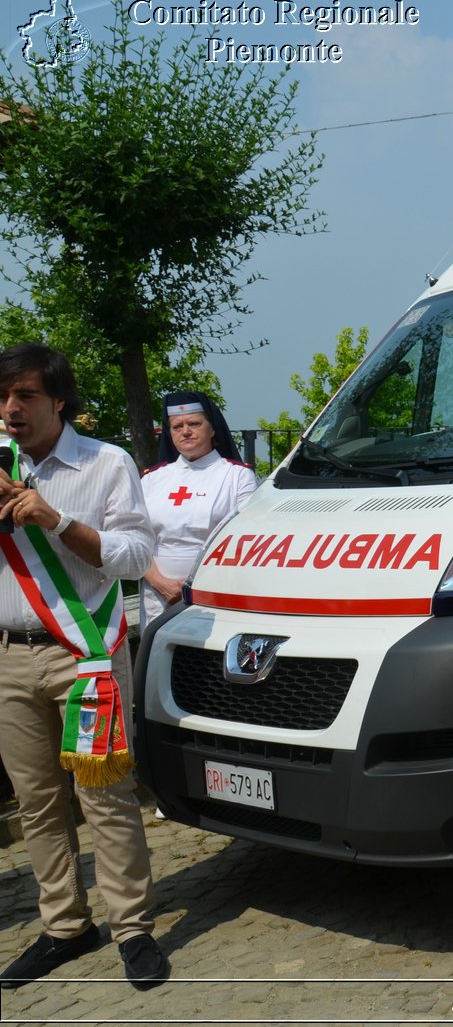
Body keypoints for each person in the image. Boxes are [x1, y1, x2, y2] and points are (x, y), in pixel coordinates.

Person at [0, 344, 168, 991]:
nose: (11, 410)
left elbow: (133, 554)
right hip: (11, 654)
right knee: (37, 801)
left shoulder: (105, 463)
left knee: (104, 794)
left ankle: (132, 929)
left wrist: (58, 520)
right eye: (3, 397)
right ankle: (66, 926)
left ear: (58, 400)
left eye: (25, 397)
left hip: (86, 654)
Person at [138, 391, 257, 631]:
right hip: (157, 594)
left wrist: (196, 587)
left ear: (212, 429)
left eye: (194, 423)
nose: (186, 431)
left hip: (214, 592)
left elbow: (243, 542)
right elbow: (136, 537)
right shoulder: (152, 479)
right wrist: (159, 583)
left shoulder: (237, 476)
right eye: (177, 426)